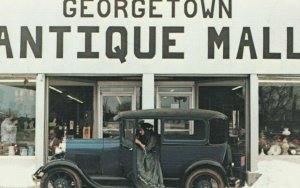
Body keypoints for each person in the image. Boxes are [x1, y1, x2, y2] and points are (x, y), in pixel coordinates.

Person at [135, 122, 165, 188]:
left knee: (139, 160)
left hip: (152, 156)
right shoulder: (146, 136)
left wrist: (139, 142)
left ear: (146, 131)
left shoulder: (153, 138)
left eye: (141, 130)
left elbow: (147, 149)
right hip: (148, 154)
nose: (140, 132)